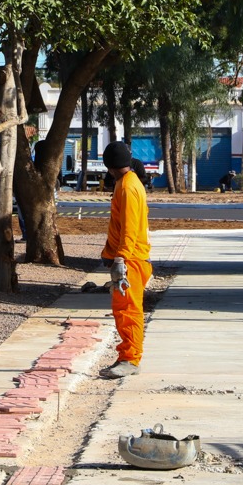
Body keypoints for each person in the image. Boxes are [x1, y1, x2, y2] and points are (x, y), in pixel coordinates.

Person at [99, 141, 153, 379]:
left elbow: (129, 229)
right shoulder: (127, 183)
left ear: (109, 166)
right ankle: (126, 356)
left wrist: (120, 258)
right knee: (123, 311)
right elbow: (119, 227)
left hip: (130, 260)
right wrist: (109, 253)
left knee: (129, 311)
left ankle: (131, 359)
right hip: (128, 257)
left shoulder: (128, 188)